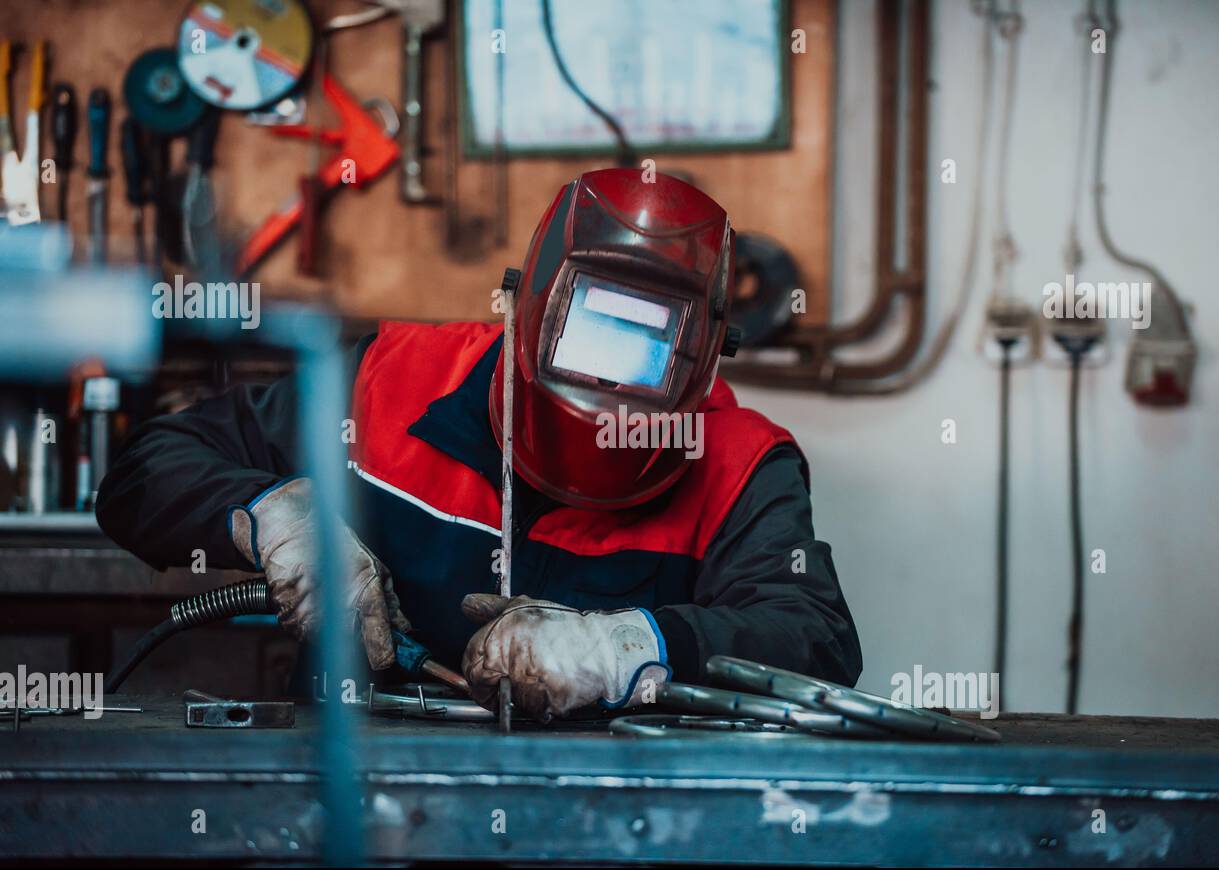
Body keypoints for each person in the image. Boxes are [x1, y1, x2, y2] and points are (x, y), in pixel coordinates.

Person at [96, 168, 861, 719]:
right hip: (358, 814)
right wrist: (265, 515)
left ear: (705, 354)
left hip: (621, 829)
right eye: (597, 323)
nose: (610, 380)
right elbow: (141, 473)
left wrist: (630, 646)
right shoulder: (388, 381)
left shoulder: (741, 463)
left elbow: (815, 637)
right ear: (528, 305)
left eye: (649, 344)